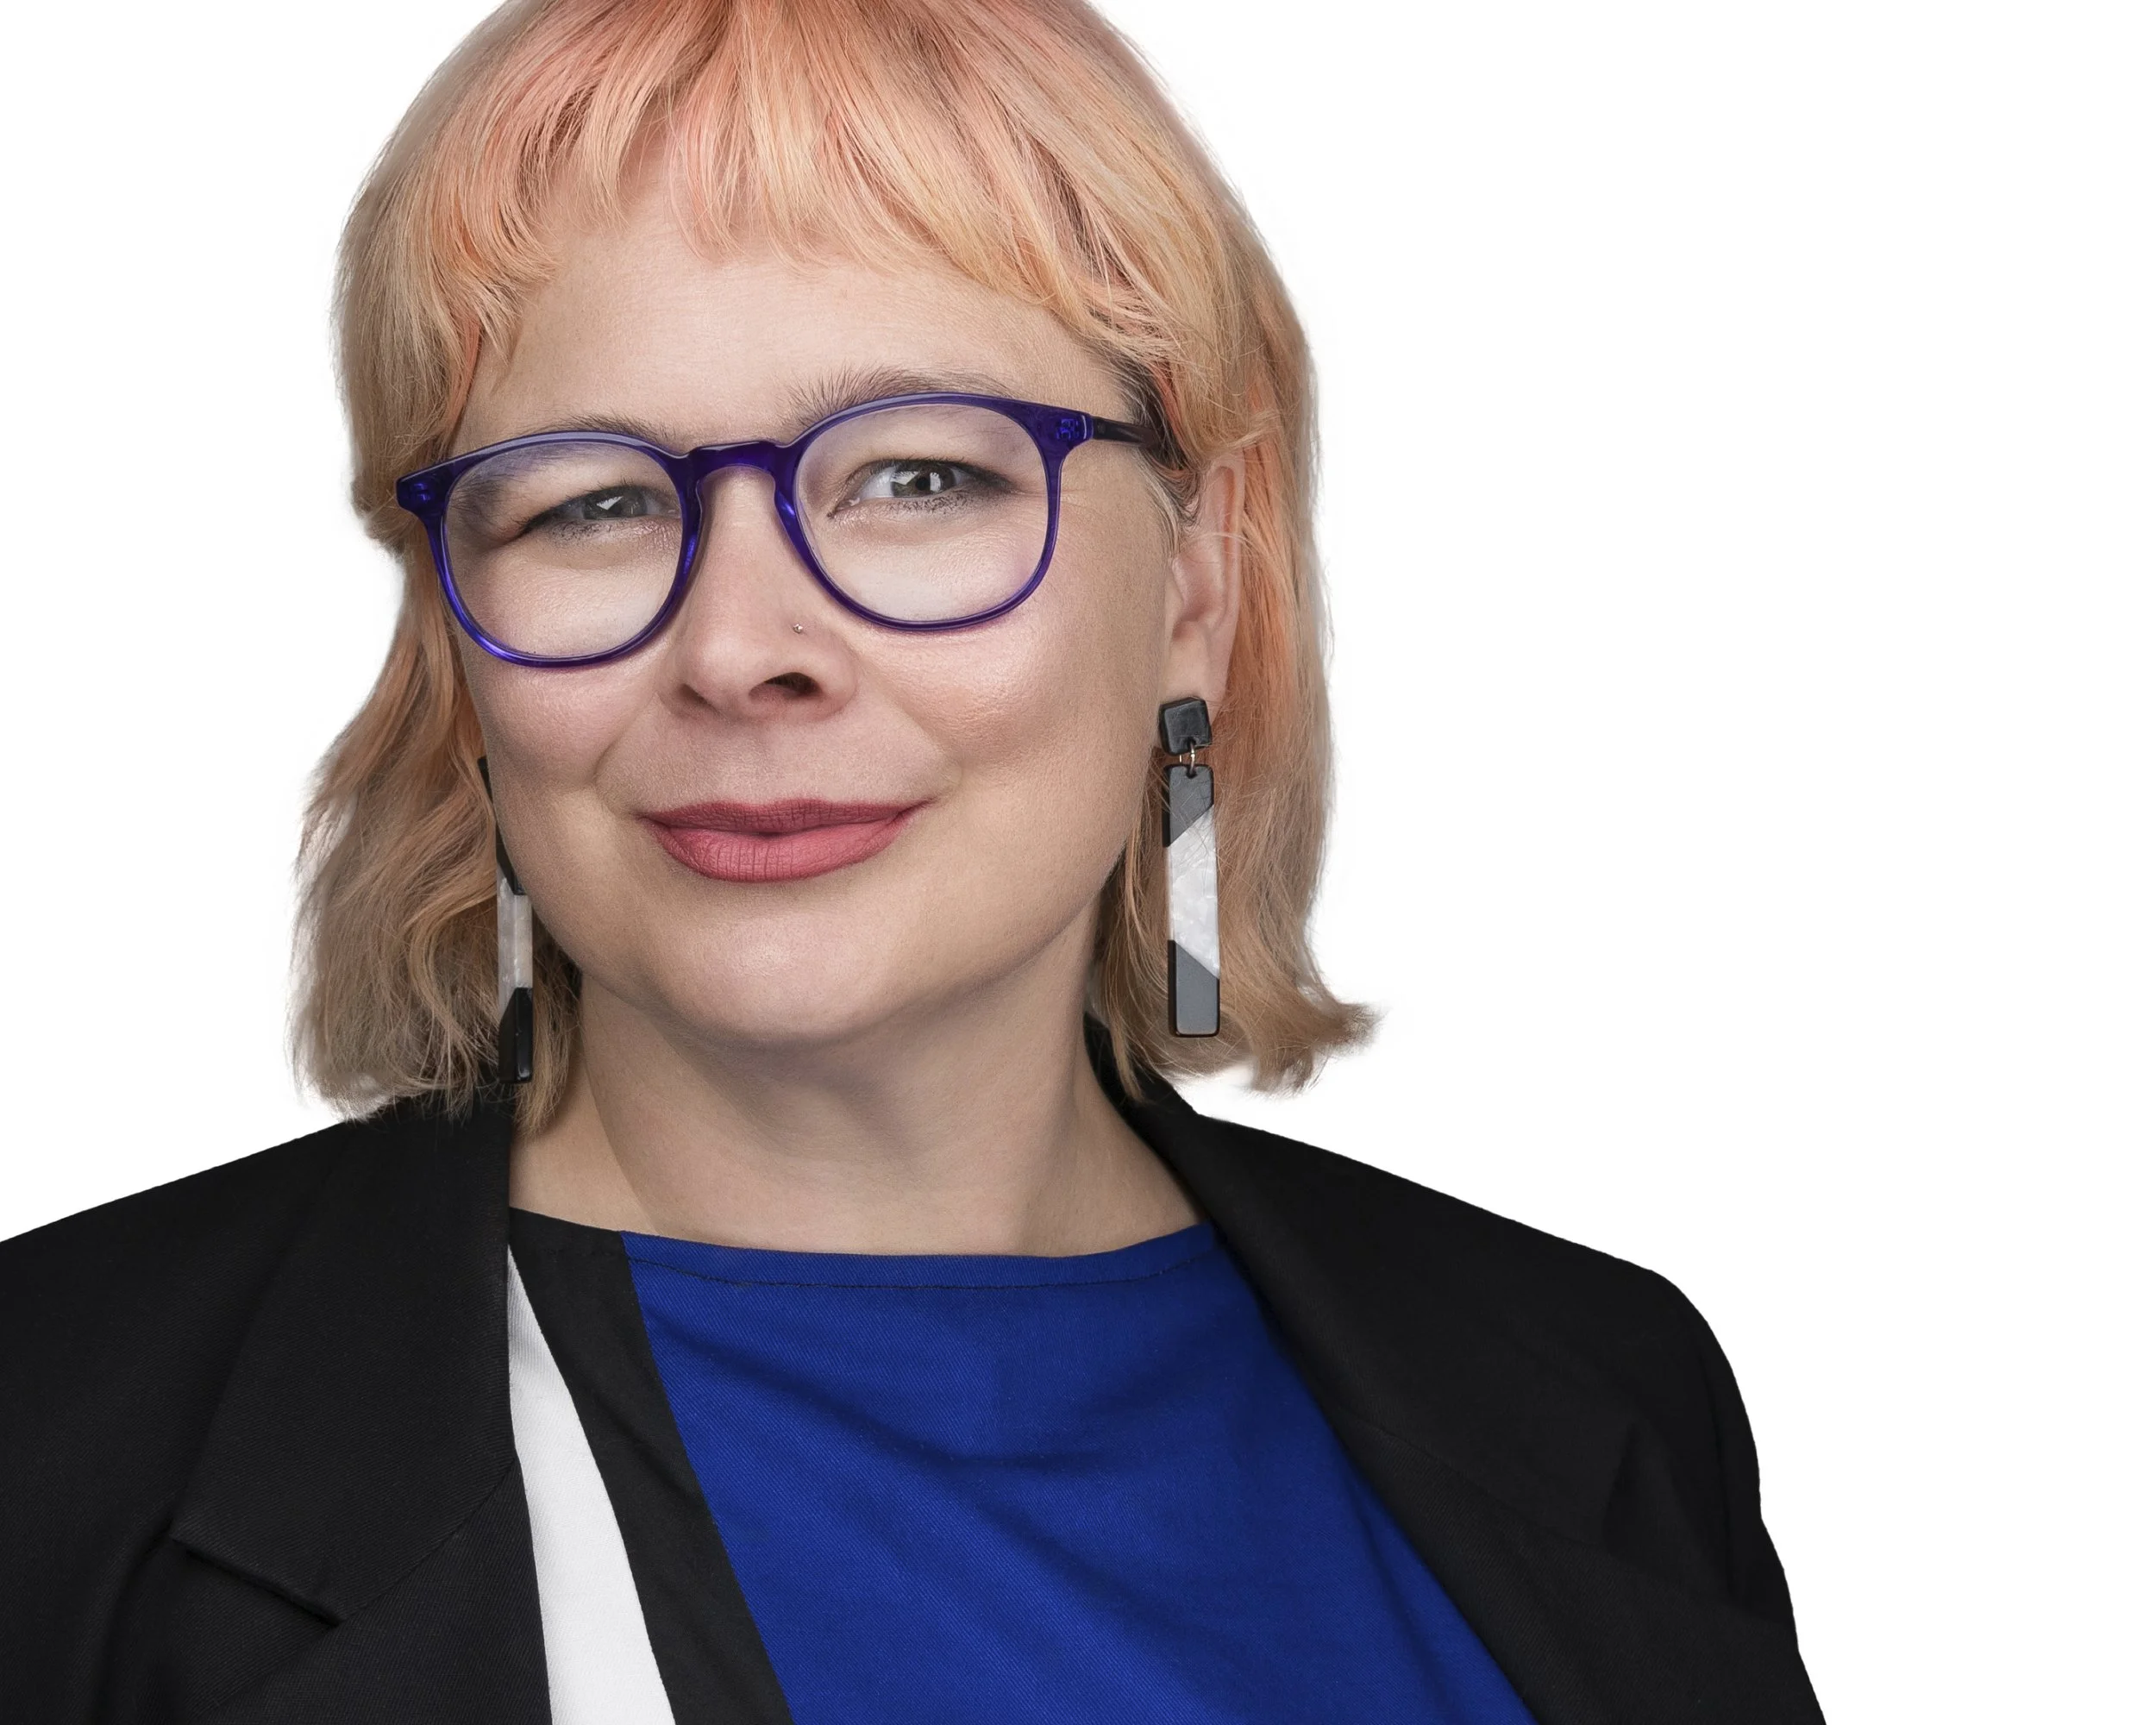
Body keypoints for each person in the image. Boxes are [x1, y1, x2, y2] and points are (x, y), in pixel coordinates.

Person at [0, 1, 1824, 1719]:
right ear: (454, 641)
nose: (740, 648)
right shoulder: (51, 1438)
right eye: (592, 503)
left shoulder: (1602, 1390)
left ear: (1196, 584)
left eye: (920, 477)